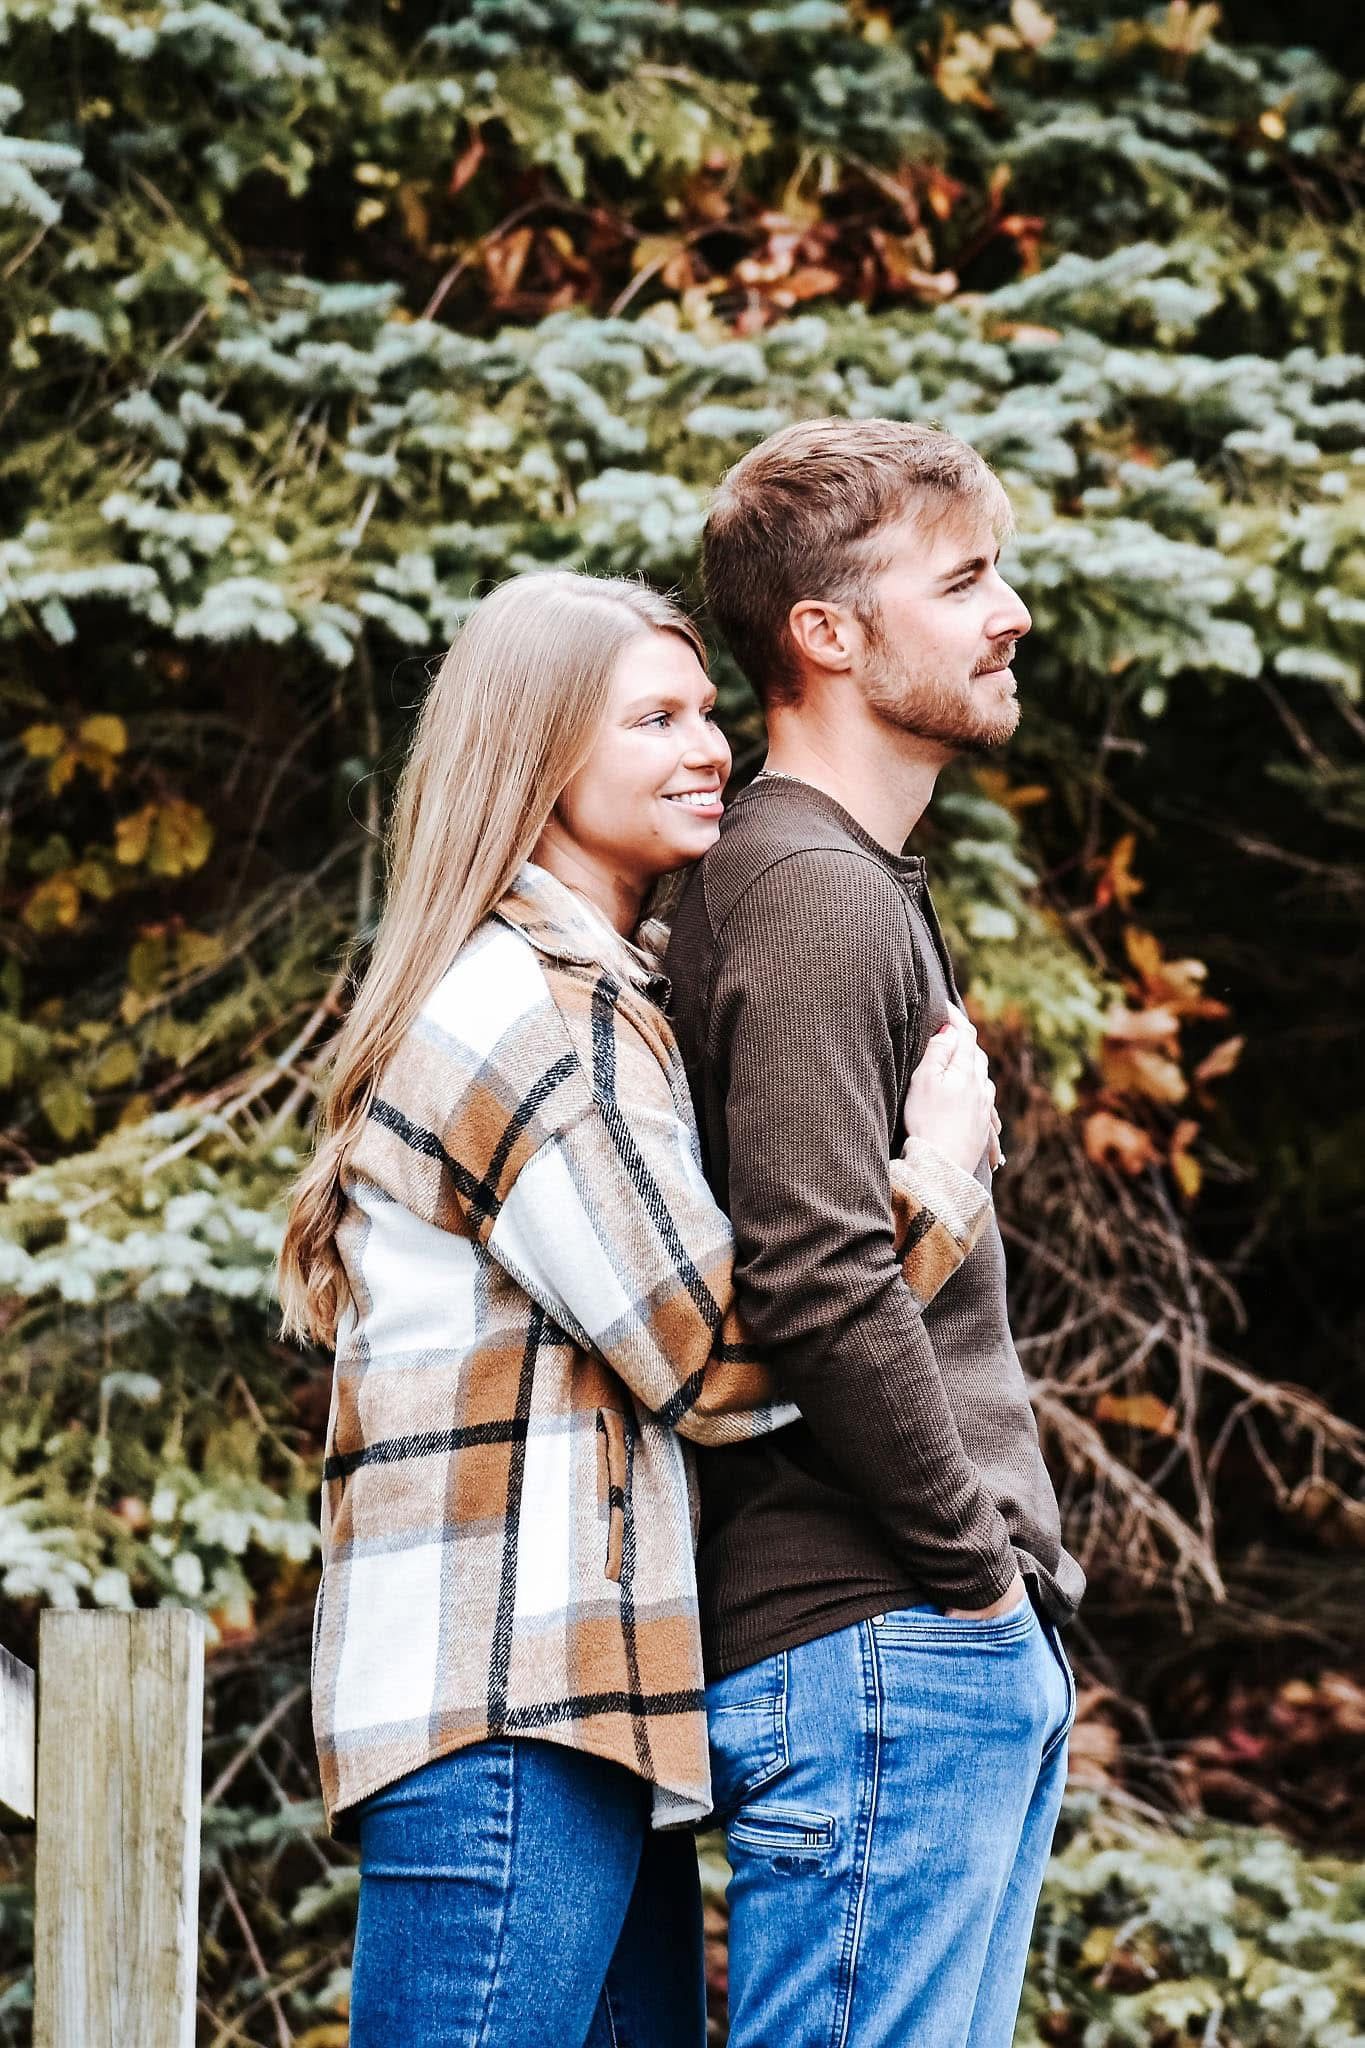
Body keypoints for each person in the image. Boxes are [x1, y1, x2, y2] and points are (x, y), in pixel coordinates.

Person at [276, 568, 1004, 2048]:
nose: (707, 749)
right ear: (537, 757)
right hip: (505, 1704)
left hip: (592, 1712)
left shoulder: (605, 999)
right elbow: (709, 1356)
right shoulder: (529, 1013)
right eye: (652, 719)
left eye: (707, 713)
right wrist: (932, 1186)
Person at [664, 420, 1088, 2048]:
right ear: (824, 636)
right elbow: (817, 1268)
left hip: (919, 1646)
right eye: (966, 578)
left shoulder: (838, 881)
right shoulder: (815, 893)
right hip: (887, 1642)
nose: (1011, 614)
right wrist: (980, 1582)